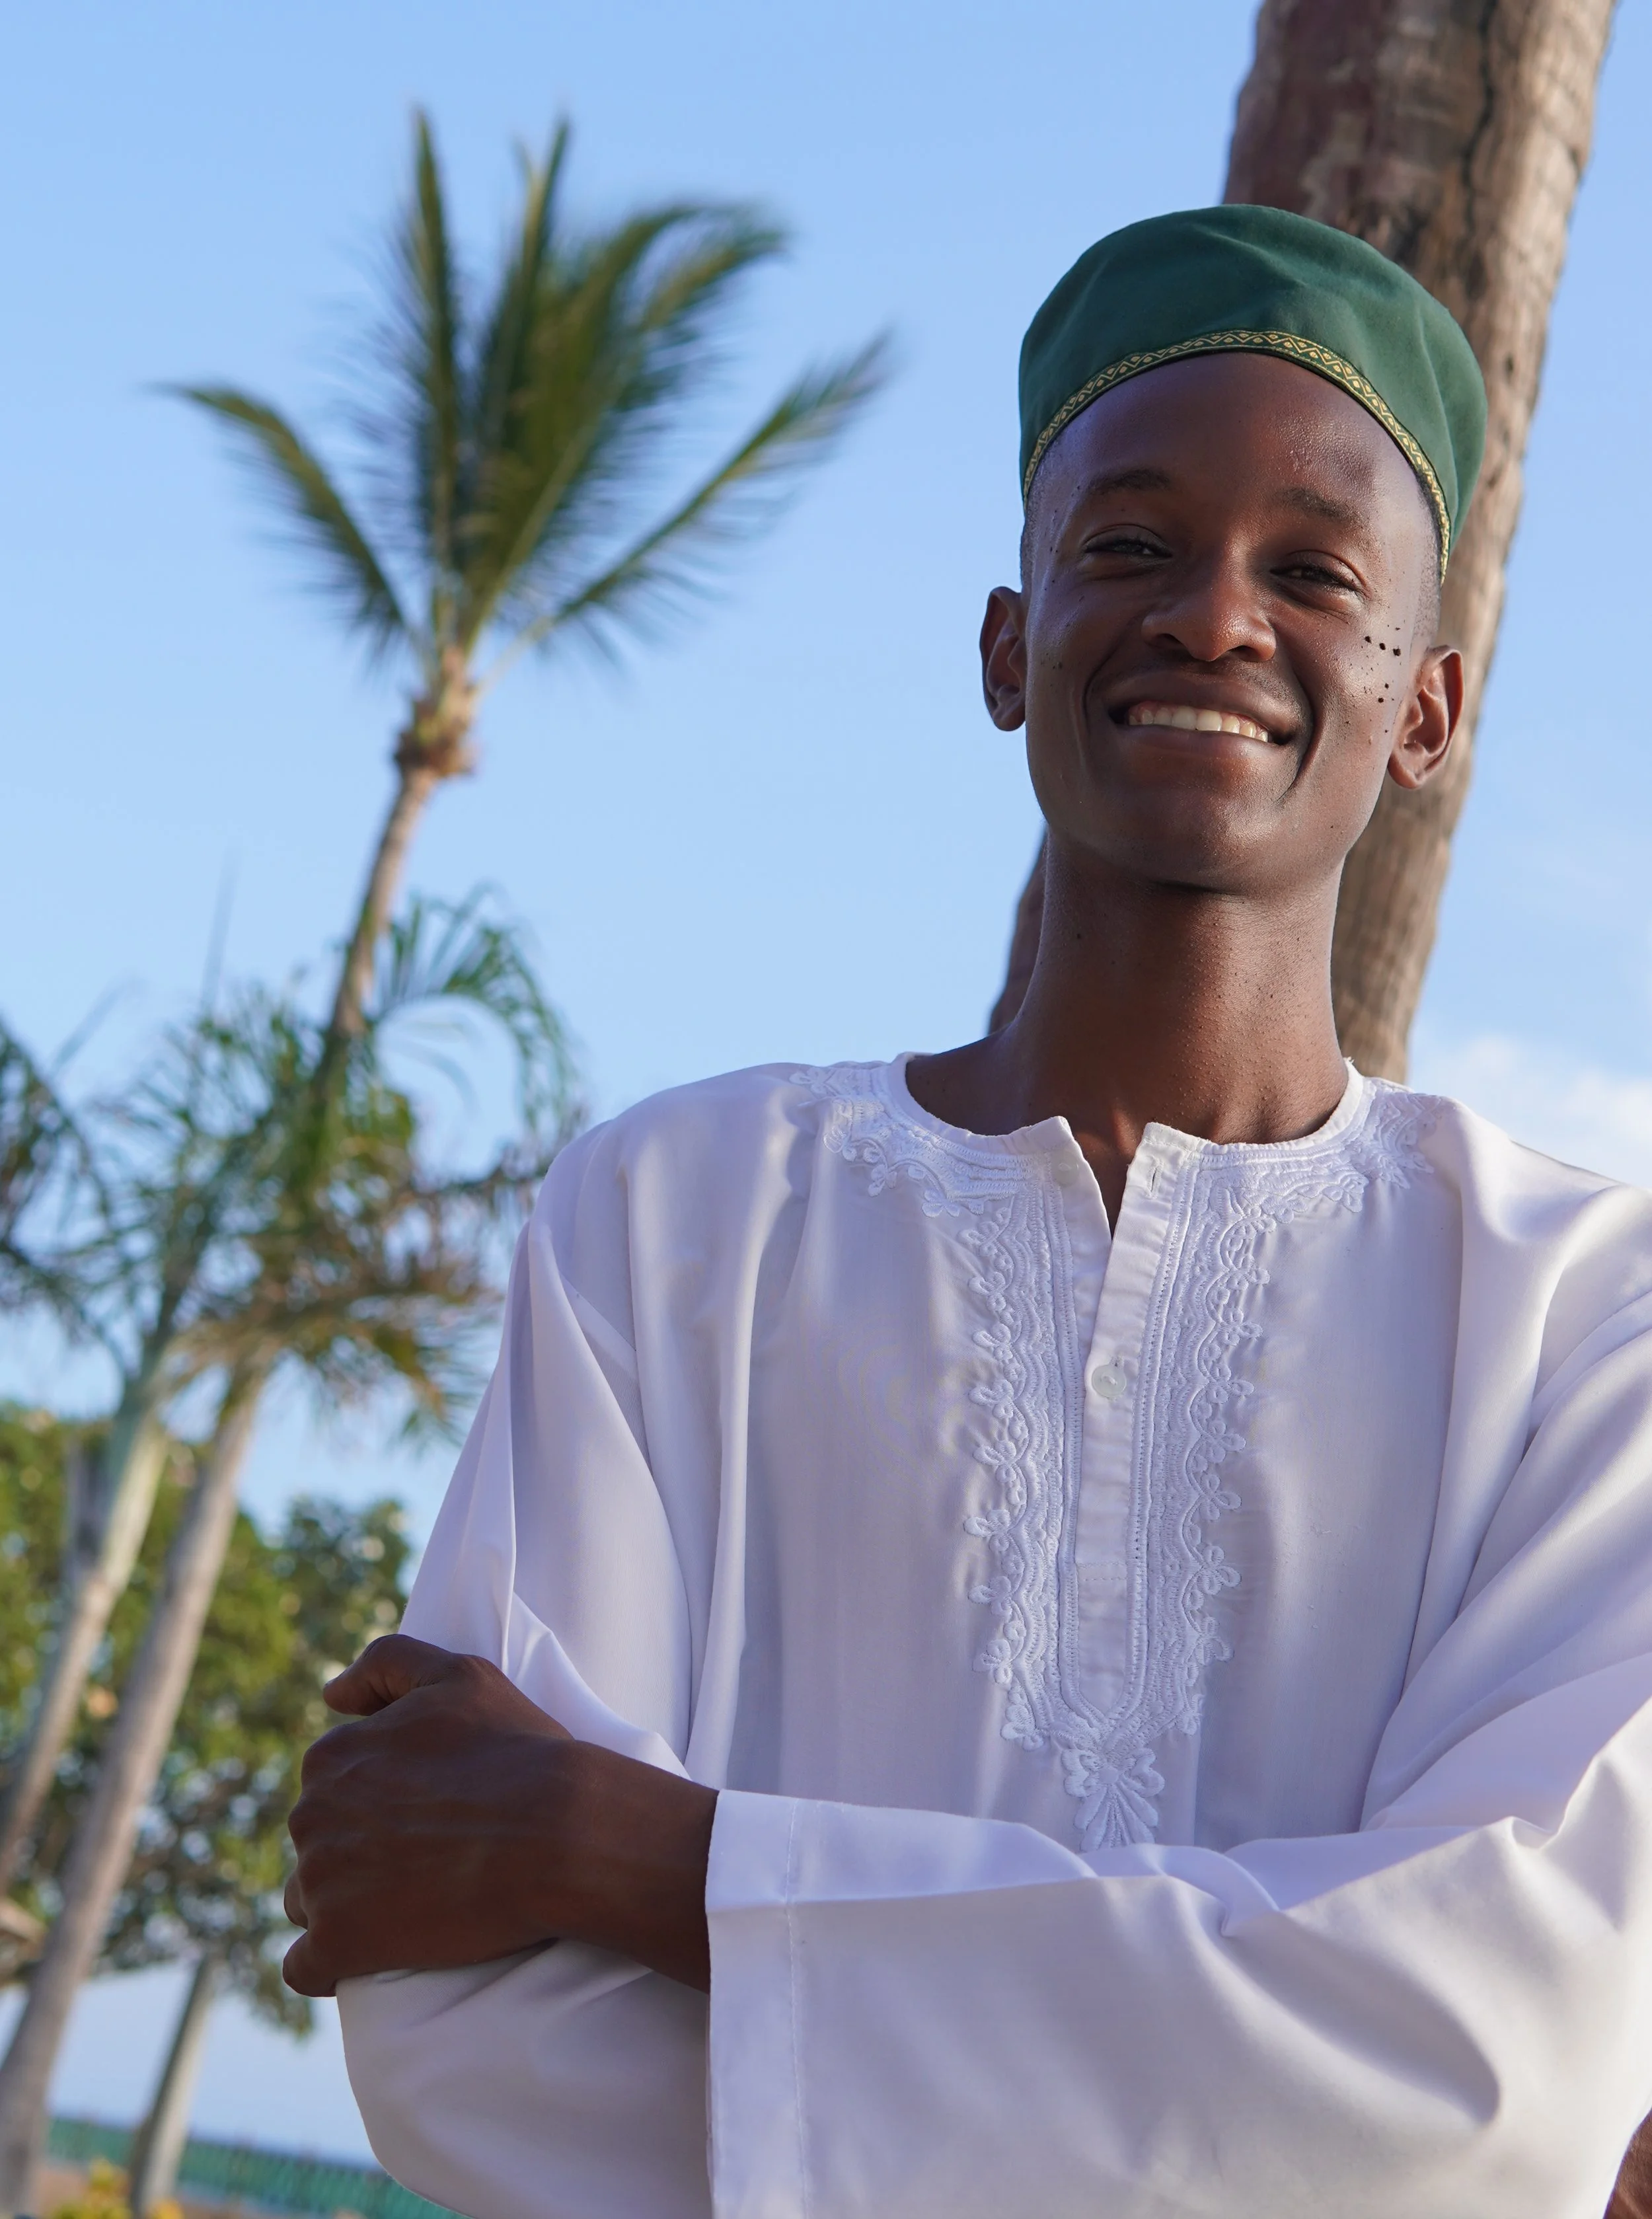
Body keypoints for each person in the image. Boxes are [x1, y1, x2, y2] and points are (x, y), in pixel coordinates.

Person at [285, 207, 1652, 2216]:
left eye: (1312, 571)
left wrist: (643, 1858)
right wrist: (1305, 2100)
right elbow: (466, 2029)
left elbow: (1490, 2055)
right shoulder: (677, 1218)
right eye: (1125, 545)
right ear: (1009, 644)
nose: (1210, 614)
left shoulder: (1576, 1313)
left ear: (1424, 708)